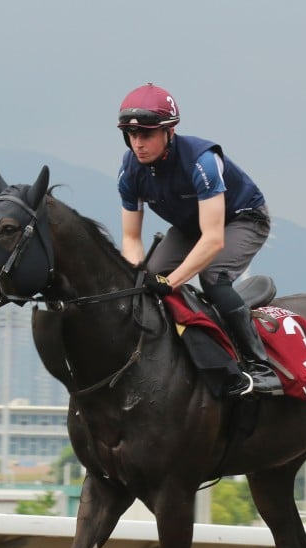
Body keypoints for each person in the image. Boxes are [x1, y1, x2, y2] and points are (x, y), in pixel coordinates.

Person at [115, 82, 281, 396]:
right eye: (131, 135)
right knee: (147, 279)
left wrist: (171, 282)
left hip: (242, 219)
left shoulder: (202, 161)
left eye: (146, 134)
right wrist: (140, 276)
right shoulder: (129, 170)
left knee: (213, 277)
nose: (138, 144)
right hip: (191, 225)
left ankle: (262, 368)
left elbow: (213, 239)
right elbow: (131, 239)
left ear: (169, 132)